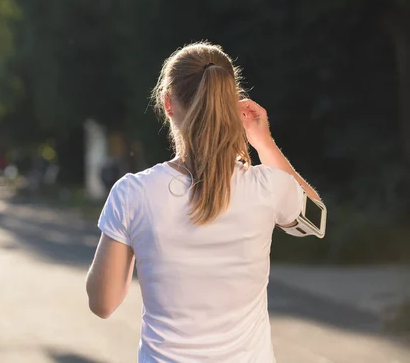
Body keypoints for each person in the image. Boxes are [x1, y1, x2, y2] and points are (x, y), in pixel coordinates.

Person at [85, 42, 321, 362]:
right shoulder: (267, 187)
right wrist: (263, 141)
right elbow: (314, 222)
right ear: (231, 105)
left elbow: (103, 304)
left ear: (168, 103)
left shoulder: (133, 194)